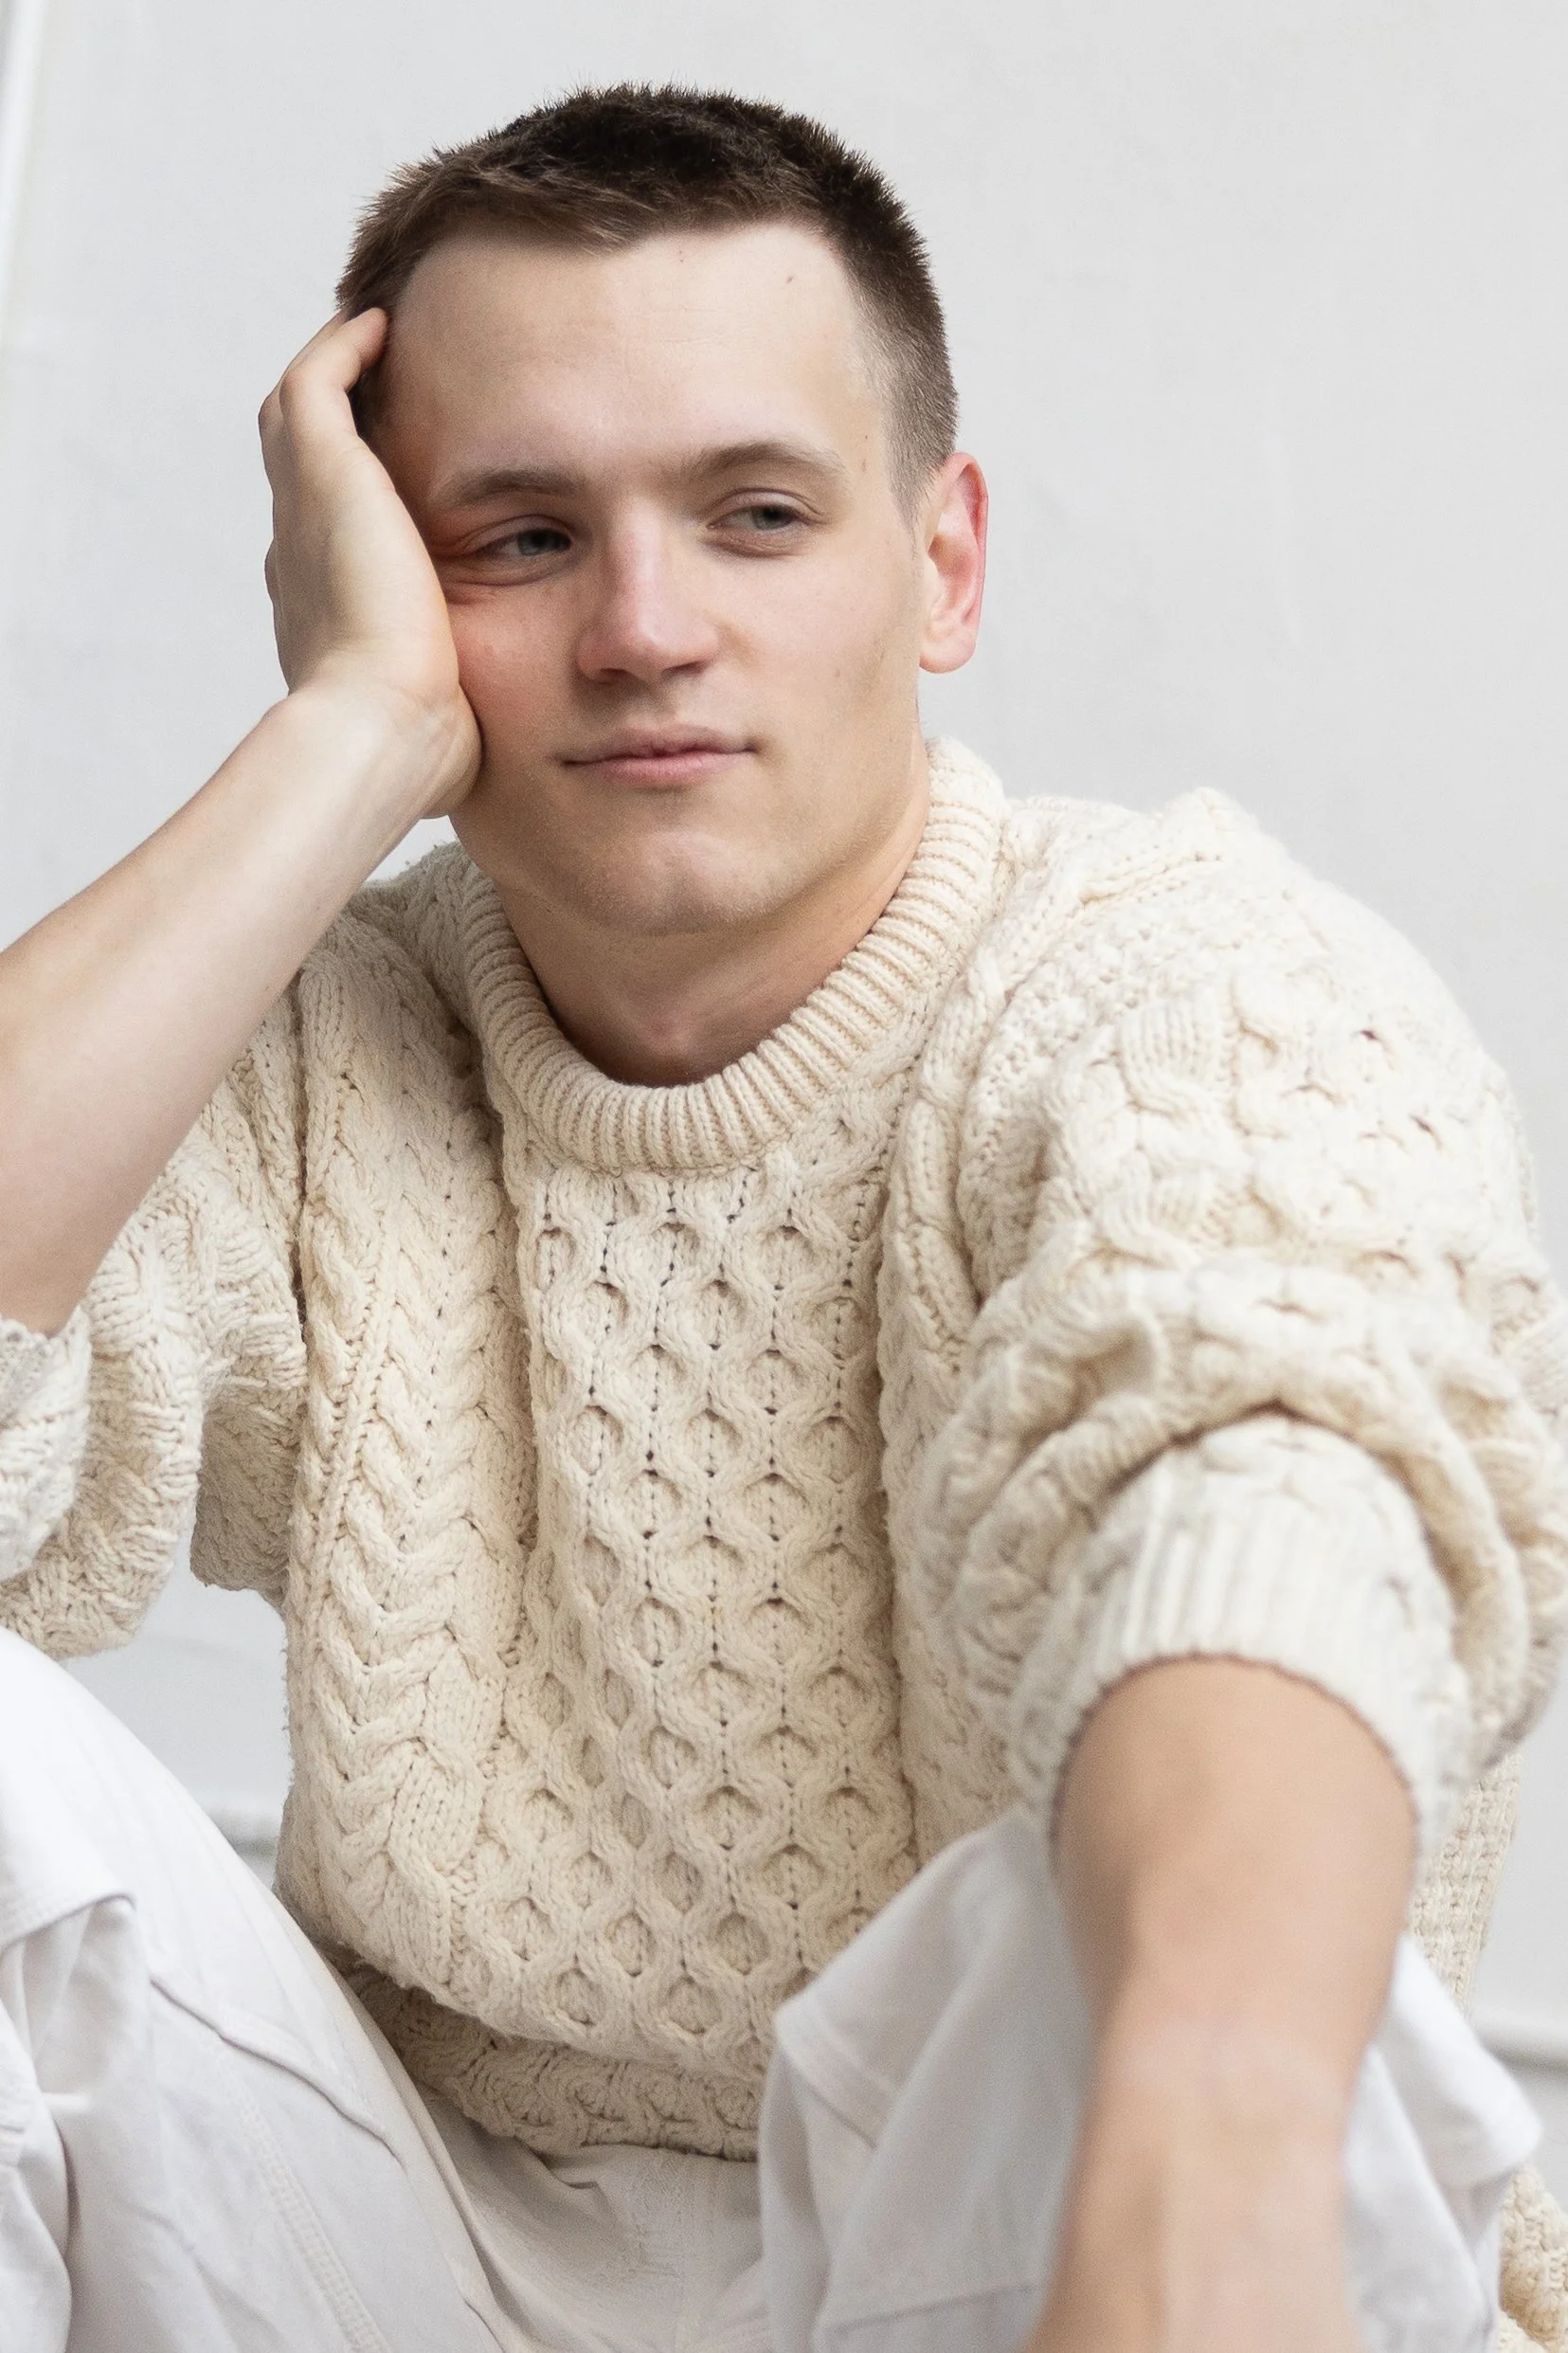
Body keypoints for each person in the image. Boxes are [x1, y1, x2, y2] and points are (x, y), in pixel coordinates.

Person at [0, 82, 1565, 2353]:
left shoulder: (1173, 979)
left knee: (1056, 1916)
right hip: (412, 2246)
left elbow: (1270, 1482)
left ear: (937, 563)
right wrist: (337, 744)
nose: (645, 628)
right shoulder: (326, 1048)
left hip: (1062, 2210)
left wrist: (1202, 2168)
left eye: (750, 513)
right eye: (518, 538)